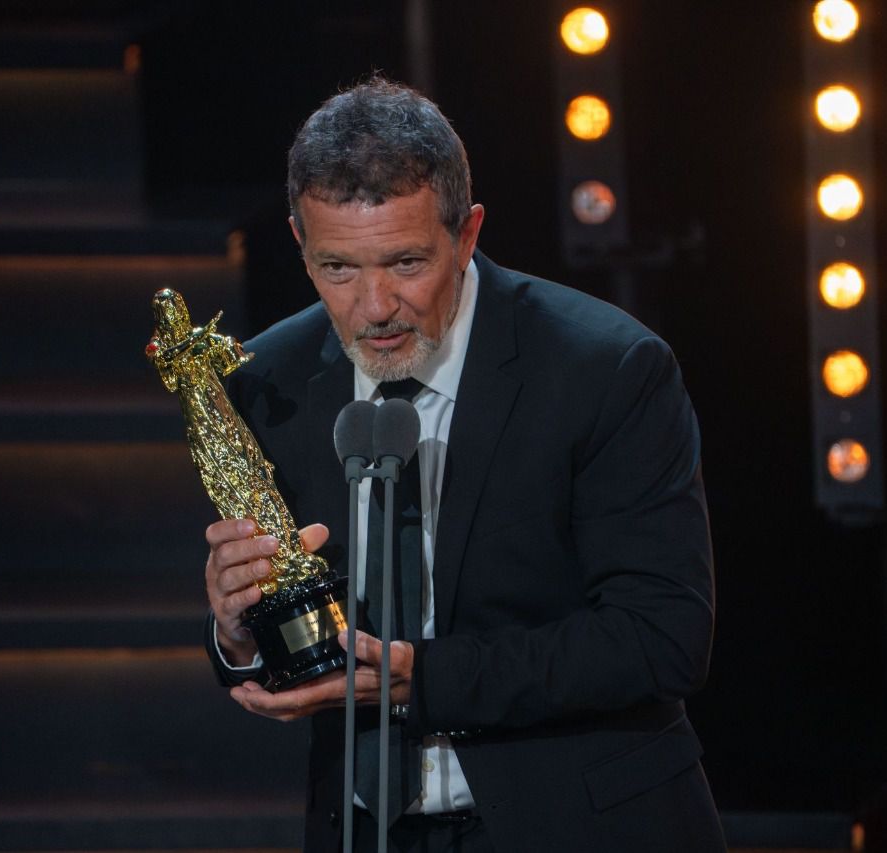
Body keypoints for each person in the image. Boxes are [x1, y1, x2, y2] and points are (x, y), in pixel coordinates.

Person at [201, 77, 725, 852]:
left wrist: (427, 678)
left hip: (584, 823)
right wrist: (235, 629)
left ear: (468, 233)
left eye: (407, 261)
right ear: (298, 243)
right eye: (338, 269)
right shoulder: (265, 382)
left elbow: (662, 635)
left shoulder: (605, 369)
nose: (374, 305)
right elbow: (282, 640)